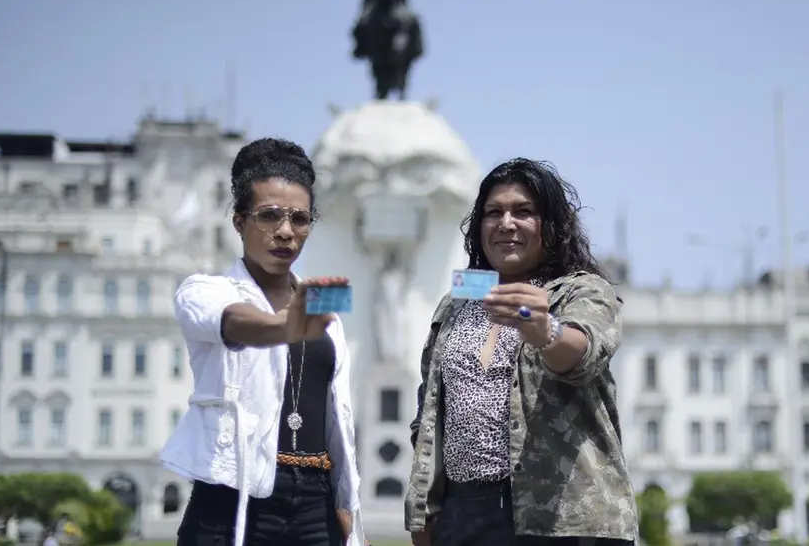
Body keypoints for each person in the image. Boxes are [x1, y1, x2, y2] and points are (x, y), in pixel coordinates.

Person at [404, 158, 637, 546]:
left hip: (560, 517)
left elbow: (582, 354)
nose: (506, 223)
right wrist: (426, 511)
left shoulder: (581, 291)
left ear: (552, 226)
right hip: (464, 515)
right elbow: (428, 418)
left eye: (524, 212)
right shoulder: (456, 303)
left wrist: (545, 330)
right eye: (493, 212)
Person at [160, 137, 365, 546]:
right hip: (233, 497)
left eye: (300, 219)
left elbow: (336, 417)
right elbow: (233, 322)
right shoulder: (204, 290)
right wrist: (282, 329)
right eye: (269, 216)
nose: (286, 232)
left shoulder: (323, 307)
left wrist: (347, 508)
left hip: (314, 500)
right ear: (239, 221)